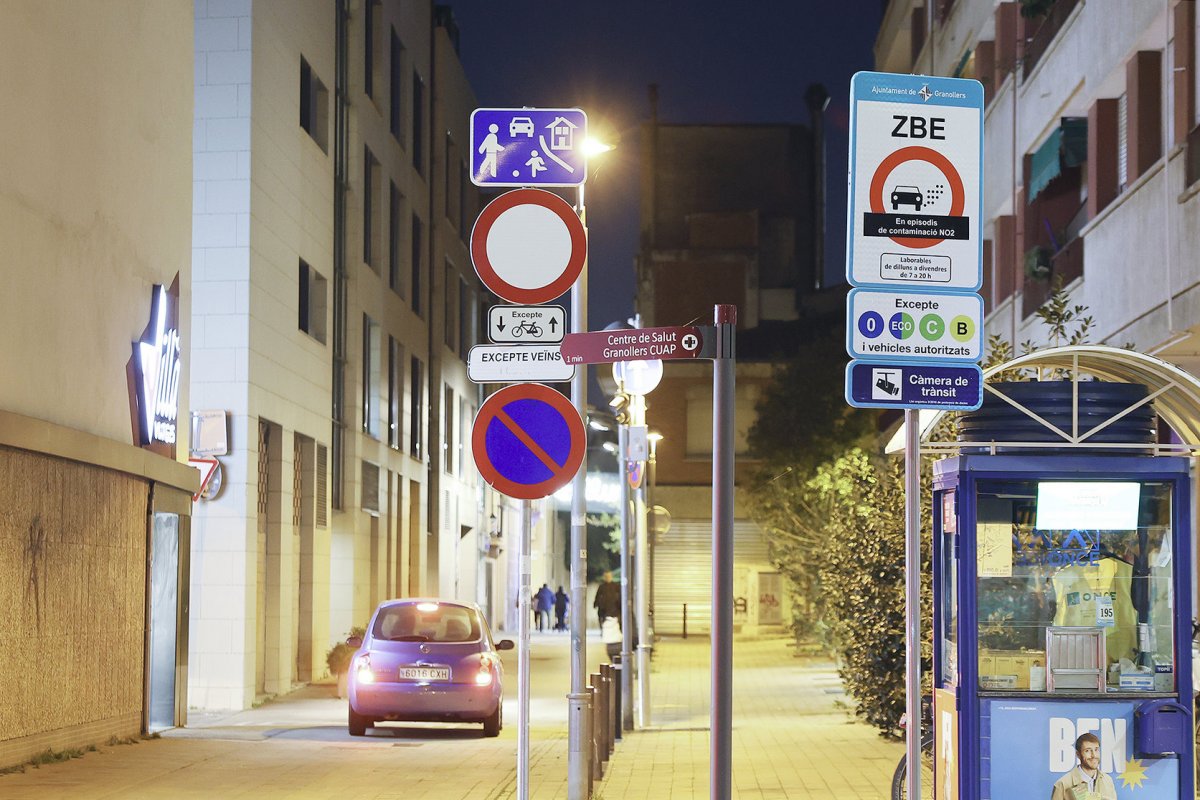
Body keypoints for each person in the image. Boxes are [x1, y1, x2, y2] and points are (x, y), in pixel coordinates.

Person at [1050, 732, 1117, 800]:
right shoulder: (1062, 784)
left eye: (1096, 750)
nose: (1094, 755)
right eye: (1087, 751)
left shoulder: (1108, 780)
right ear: (1078, 754)